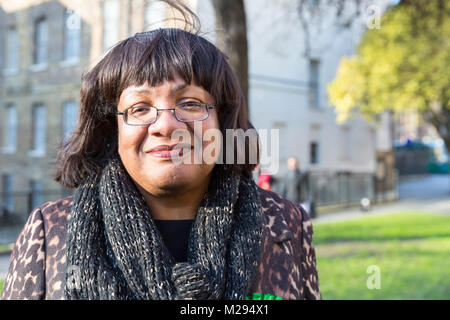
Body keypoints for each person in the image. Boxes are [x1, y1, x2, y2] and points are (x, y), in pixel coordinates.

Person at [1, 25, 320, 300]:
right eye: (140, 108)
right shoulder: (51, 229)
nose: (165, 125)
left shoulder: (283, 223)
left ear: (223, 122)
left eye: (191, 103)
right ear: (113, 129)